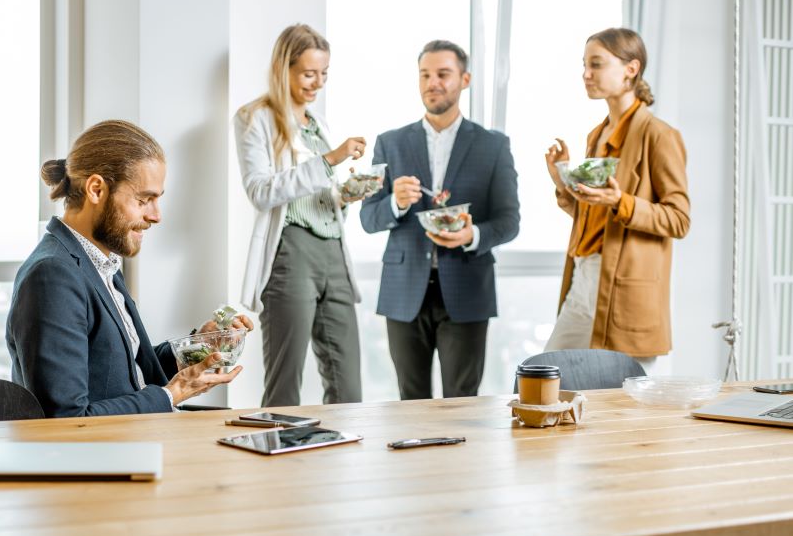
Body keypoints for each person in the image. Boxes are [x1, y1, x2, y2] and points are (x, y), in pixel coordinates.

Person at [6, 119, 252, 418]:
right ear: (96, 189)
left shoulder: (101, 263)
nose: (156, 216)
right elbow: (66, 418)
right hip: (106, 457)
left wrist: (198, 345)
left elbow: (128, 373)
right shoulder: (52, 275)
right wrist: (173, 394)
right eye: (143, 200)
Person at [361, 40, 520, 400]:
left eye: (443, 74)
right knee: (410, 400)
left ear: (464, 79)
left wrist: (472, 234)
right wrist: (395, 204)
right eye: (425, 75)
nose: (433, 82)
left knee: (462, 402)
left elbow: (509, 220)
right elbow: (368, 218)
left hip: (467, 286)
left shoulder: (493, 145)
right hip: (403, 289)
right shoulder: (390, 143)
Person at [235, 24, 367, 408]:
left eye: (324, 74)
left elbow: (316, 192)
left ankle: (337, 465)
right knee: (284, 384)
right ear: (284, 69)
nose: (317, 84)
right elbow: (261, 191)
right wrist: (332, 159)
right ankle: (275, 461)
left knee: (349, 389)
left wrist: (348, 194)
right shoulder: (255, 118)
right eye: (309, 74)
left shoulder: (318, 125)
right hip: (291, 254)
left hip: (334, 254)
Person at [543, 27, 689, 370]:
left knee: (624, 402)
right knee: (545, 383)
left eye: (596, 64)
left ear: (631, 69)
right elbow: (594, 215)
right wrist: (562, 181)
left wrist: (620, 201)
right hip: (584, 279)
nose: (586, 74)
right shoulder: (597, 135)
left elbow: (678, 219)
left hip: (627, 290)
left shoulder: (660, 136)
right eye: (584, 65)